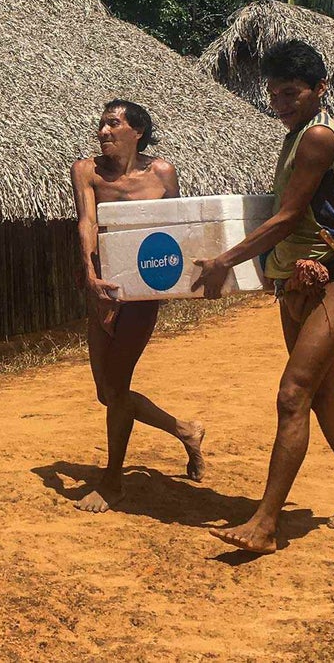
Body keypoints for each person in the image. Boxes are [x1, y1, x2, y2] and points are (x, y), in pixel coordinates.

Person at [192, 39, 334, 554]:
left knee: (293, 394)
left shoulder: (317, 136)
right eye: (273, 93)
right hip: (298, 283)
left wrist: (224, 262)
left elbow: (289, 215)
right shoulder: (296, 135)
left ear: (320, 89)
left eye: (291, 92)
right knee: (322, 395)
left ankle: (267, 523)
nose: (280, 101)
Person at [70, 99, 206, 513]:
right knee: (106, 393)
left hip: (144, 292)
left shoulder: (161, 172)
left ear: (137, 131)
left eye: (113, 124)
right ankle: (183, 429)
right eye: (101, 125)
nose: (103, 132)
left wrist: (178, 282)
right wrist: (91, 279)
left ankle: (113, 481)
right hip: (103, 287)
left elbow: (177, 226)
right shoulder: (86, 171)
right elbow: (87, 222)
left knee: (116, 384)